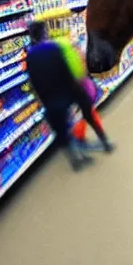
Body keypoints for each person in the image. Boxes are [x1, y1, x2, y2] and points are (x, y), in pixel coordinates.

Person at [26, 21, 114, 171]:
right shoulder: (53, 47)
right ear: (44, 33)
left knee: (61, 130)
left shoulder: (30, 56)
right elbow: (65, 68)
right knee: (88, 113)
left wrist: (44, 101)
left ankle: (76, 161)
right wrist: (77, 87)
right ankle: (104, 142)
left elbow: (34, 82)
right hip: (68, 89)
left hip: (50, 97)